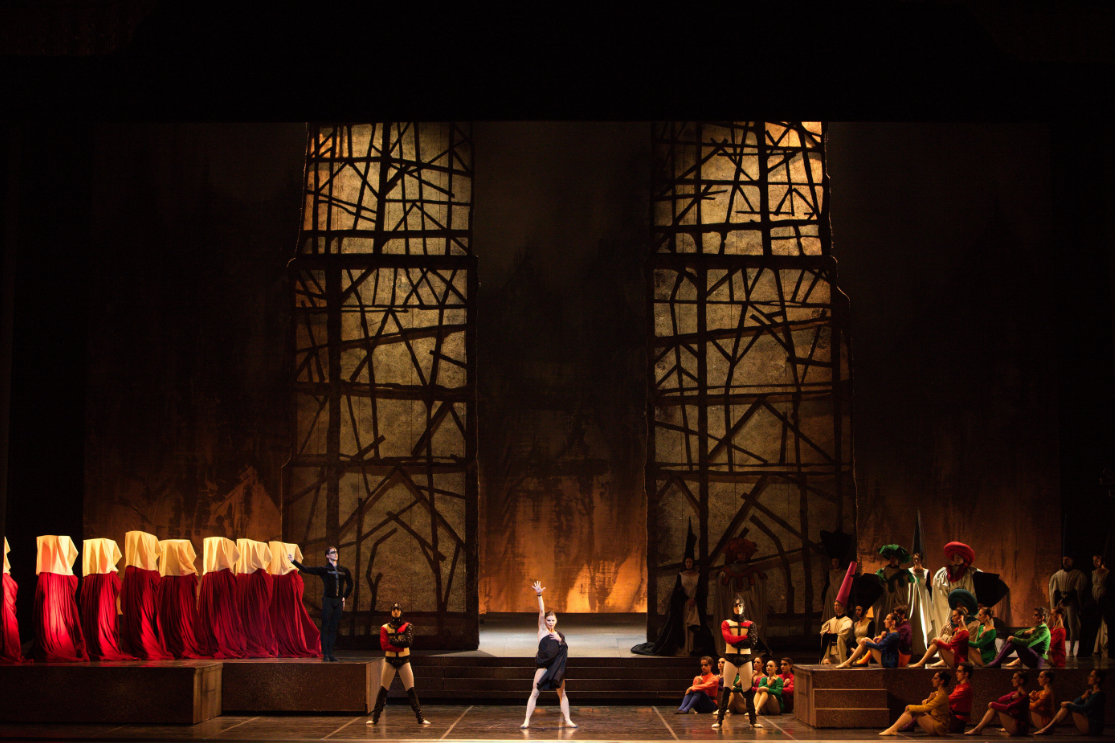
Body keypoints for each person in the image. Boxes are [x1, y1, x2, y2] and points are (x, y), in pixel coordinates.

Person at [632, 519, 715, 657]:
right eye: (687, 562)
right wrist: (685, 599)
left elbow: (701, 591)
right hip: (684, 605)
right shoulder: (681, 575)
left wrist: (695, 599)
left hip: (694, 605)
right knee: (683, 625)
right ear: (685, 563)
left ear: (693, 563)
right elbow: (677, 592)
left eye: (690, 562)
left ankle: (692, 648)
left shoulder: (697, 576)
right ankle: (683, 648)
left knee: (694, 627)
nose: (688, 564)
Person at [522, 581, 576, 729]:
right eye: (548, 620)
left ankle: (568, 720)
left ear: (556, 621)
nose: (550, 622)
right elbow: (541, 611)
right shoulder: (542, 631)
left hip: (556, 667)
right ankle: (526, 720)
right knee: (535, 692)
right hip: (544, 666)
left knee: (562, 694)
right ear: (545, 621)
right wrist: (539, 595)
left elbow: (564, 651)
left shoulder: (560, 635)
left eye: (553, 620)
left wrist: (560, 641)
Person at [368, 603, 428, 726]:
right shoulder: (385, 627)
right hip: (390, 661)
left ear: (401, 611)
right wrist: (400, 646)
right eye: (394, 609)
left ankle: (420, 718)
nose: (396, 611)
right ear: (391, 611)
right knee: (383, 690)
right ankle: (375, 718)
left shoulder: (408, 626)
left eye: (398, 609)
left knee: (411, 689)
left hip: (404, 661)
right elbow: (384, 646)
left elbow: (408, 642)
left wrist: (393, 642)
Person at [290, 547, 352, 662]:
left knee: (333, 628)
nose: (335, 554)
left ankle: (331, 654)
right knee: (325, 626)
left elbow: (350, 584)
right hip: (328, 600)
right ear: (327, 556)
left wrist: (344, 597)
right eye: (332, 552)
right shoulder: (324, 569)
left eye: (336, 552)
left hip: (338, 601)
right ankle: (326, 654)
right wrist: (293, 561)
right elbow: (306, 569)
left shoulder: (344, 570)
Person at [713, 595, 759, 730]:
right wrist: (744, 638)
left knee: (748, 690)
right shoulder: (726, 623)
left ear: (743, 607)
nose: (737, 608)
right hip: (730, 658)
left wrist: (736, 640)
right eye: (735, 606)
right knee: (726, 688)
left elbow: (752, 642)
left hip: (745, 659)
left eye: (740, 605)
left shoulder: (751, 624)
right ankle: (719, 720)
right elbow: (728, 639)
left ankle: (753, 720)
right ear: (732, 607)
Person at [1034, 668, 1106, 736]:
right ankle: (1048, 728)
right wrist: (1083, 697)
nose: (1088, 678)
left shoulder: (1099, 694)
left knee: (1068, 705)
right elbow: (1075, 702)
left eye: (1092, 676)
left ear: (1098, 679)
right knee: (1068, 704)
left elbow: (1084, 708)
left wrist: (1068, 705)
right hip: (1089, 723)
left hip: (1093, 727)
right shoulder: (1091, 693)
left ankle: (1047, 728)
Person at [931, 542, 979, 642]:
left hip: (964, 606)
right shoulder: (943, 573)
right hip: (950, 604)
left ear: (964, 557)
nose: (957, 558)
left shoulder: (971, 573)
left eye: (959, 556)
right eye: (955, 556)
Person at [879, 670, 951, 736]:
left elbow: (926, 708)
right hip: (934, 722)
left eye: (935, 678)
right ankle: (893, 729)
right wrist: (929, 699)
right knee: (913, 711)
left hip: (939, 727)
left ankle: (893, 729)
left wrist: (910, 707)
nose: (932, 680)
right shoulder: (936, 693)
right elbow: (924, 703)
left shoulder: (942, 696)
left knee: (912, 710)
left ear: (942, 681)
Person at [965, 670, 1030, 736]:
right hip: (1016, 723)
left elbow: (1008, 707)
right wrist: (1011, 697)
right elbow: (1000, 700)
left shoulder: (1024, 697)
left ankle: (977, 729)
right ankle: (977, 729)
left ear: (1021, 681)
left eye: (1015, 678)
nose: (1012, 680)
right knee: (993, 708)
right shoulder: (1014, 694)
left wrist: (992, 704)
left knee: (994, 707)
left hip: (1020, 728)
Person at [1049, 554, 1087, 658]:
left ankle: (1071, 650)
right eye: (1064, 560)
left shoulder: (1077, 574)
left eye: (1067, 560)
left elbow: (1076, 590)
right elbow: (1055, 590)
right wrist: (1059, 601)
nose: (1065, 562)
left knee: (1072, 626)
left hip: (1070, 602)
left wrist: (1067, 600)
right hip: (1061, 602)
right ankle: (1056, 647)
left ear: (1072, 561)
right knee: (1057, 625)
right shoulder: (1058, 574)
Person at [820, 563, 856, 664]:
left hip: (841, 652)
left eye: (838, 605)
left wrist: (832, 635)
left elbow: (843, 633)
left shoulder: (847, 621)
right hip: (831, 652)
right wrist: (826, 633)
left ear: (843, 606)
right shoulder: (831, 621)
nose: (835, 607)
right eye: (835, 605)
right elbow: (823, 631)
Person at [873, 545, 913, 625]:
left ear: (899, 560)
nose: (893, 560)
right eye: (891, 558)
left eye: (895, 558)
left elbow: (905, 591)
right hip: (885, 602)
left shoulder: (904, 574)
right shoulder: (883, 572)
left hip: (897, 602)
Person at [908, 551, 936, 657]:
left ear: (921, 560)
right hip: (913, 595)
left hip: (924, 596)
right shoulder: (909, 571)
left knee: (925, 617)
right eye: (914, 559)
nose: (916, 561)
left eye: (918, 559)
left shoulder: (926, 572)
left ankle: (925, 641)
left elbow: (928, 586)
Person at [948, 662, 974, 733]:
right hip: (954, 718)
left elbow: (948, 700)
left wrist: (935, 697)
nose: (956, 673)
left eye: (959, 671)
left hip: (956, 722)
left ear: (966, 674)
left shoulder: (965, 689)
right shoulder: (961, 687)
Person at [1092, 554, 1109, 657]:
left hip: (1102, 598)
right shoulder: (1093, 573)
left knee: (1103, 623)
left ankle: (1102, 646)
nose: (1095, 563)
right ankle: (1096, 647)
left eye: (1097, 561)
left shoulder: (1107, 573)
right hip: (1094, 598)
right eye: (1094, 561)